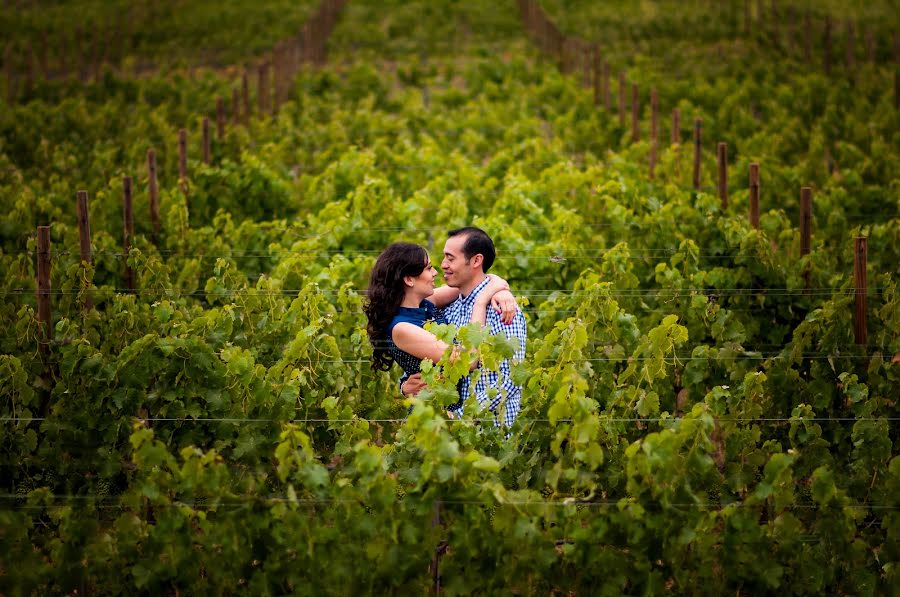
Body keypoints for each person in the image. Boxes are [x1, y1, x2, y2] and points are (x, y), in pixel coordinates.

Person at [364, 242, 517, 410]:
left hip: (447, 413)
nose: (435, 272)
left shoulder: (425, 303)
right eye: (428, 268)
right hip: (434, 417)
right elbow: (469, 361)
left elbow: (474, 282)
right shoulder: (402, 328)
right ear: (409, 279)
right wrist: (480, 303)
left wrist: (502, 291)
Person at [401, 227, 527, 427]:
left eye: (450, 259)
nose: (443, 265)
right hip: (447, 434)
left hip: (488, 433)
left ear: (476, 261)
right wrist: (405, 386)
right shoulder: (449, 308)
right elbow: (424, 360)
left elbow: (509, 380)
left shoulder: (501, 310)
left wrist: (460, 418)